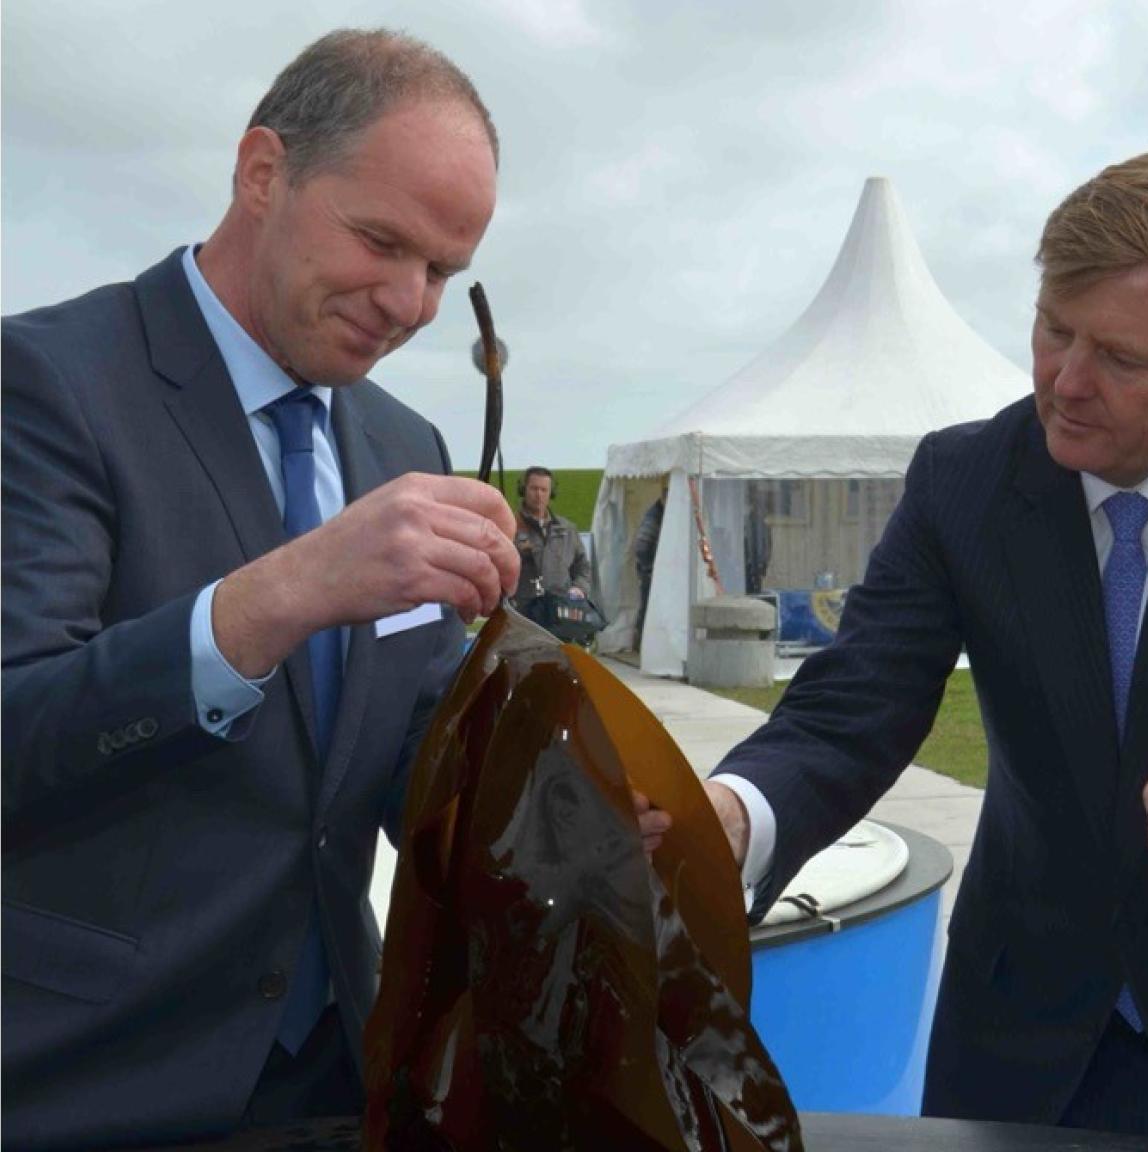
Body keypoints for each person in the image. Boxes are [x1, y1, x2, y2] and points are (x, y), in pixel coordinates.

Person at [0, 31, 669, 1149]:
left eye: (444, 272)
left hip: (341, 1071)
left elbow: (399, 743)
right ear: (263, 172)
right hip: (88, 1081)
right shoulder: (50, 384)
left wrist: (551, 810)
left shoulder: (404, 439)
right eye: (381, 242)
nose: (409, 302)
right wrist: (281, 593)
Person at [703, 146, 1148, 1150]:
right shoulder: (963, 480)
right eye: (1052, 329)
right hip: (1021, 1036)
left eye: (1120, 359)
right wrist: (726, 817)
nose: (1064, 382)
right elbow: (852, 705)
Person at [510, 464, 591, 612]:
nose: (539, 494)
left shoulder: (567, 530)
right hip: (523, 613)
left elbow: (583, 567)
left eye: (544, 490)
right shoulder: (510, 526)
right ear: (524, 490)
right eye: (534, 489)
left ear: (551, 493)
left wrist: (579, 588)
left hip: (560, 613)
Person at [632, 492, 665, 651]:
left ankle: (641, 644)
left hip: (651, 569)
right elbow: (642, 545)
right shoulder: (655, 515)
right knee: (647, 607)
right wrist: (650, 569)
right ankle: (642, 645)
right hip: (650, 570)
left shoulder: (656, 513)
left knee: (647, 606)